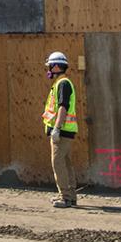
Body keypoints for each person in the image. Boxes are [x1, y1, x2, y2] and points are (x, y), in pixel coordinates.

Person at [43, 51, 78, 208]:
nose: (48, 69)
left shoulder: (62, 83)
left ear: (56, 66)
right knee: (65, 163)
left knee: (58, 163)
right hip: (65, 131)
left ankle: (65, 197)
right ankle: (70, 196)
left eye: (50, 66)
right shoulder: (61, 83)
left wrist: (56, 129)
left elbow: (63, 108)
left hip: (62, 131)